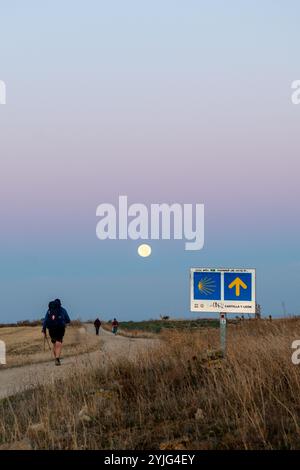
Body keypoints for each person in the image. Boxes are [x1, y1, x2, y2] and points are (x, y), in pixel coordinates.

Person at [42, 298, 71, 366]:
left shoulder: (49, 310)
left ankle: (56, 358)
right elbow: (68, 320)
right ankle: (57, 359)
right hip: (60, 328)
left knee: (54, 344)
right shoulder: (62, 310)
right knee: (59, 342)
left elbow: (45, 320)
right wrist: (64, 323)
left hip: (51, 329)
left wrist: (43, 329)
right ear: (60, 304)